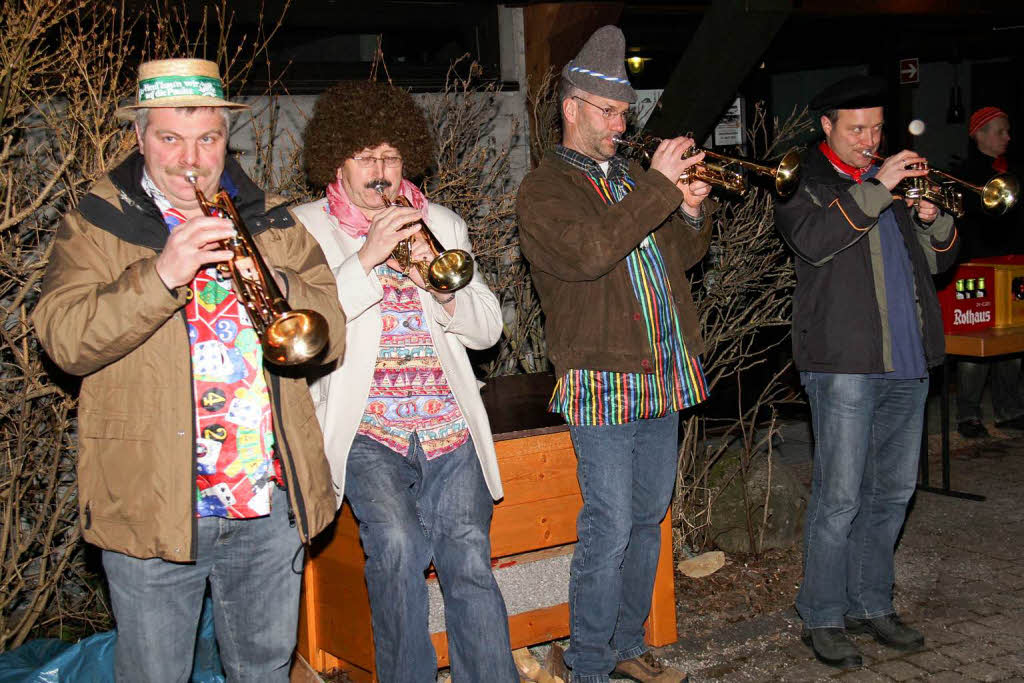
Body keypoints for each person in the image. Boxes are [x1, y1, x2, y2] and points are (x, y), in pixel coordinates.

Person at [31, 58, 347, 682]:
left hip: (266, 501)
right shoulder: (96, 224)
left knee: (263, 671)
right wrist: (160, 276)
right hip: (153, 509)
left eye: (206, 138)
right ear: (141, 137)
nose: (190, 159)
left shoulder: (272, 218)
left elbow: (329, 331)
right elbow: (63, 339)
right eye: (169, 138)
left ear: (225, 139)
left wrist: (275, 280)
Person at [294, 80, 518, 683]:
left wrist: (439, 288)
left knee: (469, 557)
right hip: (368, 428)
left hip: (446, 423)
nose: (380, 171)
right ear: (336, 159)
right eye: (365, 157)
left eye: (391, 157)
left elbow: (488, 330)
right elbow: (305, 327)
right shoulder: (306, 228)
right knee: (394, 550)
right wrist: (365, 258)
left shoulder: (440, 221)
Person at [517, 25, 713, 683]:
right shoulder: (544, 190)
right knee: (607, 525)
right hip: (601, 378)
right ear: (572, 108)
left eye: (625, 112)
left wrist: (686, 212)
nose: (619, 124)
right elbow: (592, 252)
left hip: (660, 371)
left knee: (647, 518)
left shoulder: (632, 177)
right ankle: (589, 662)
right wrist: (659, 192)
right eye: (607, 111)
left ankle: (626, 643)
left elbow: (679, 258)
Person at [774, 75, 959, 670]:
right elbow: (814, 242)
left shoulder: (894, 183)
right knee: (840, 497)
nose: (870, 138)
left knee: (892, 494)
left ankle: (871, 603)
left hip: (907, 361)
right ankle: (822, 615)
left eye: (878, 128)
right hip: (845, 364)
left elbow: (936, 263)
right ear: (826, 127)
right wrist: (877, 188)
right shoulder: (805, 180)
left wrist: (933, 219)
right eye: (858, 129)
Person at [955, 107, 1024, 438]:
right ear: (979, 135)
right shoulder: (966, 173)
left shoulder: (1013, 171)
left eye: (1008, 131)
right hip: (976, 266)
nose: (1007, 137)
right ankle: (968, 415)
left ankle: (1009, 409)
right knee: (975, 340)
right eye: (1000, 131)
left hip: (1012, 264)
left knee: (1011, 336)